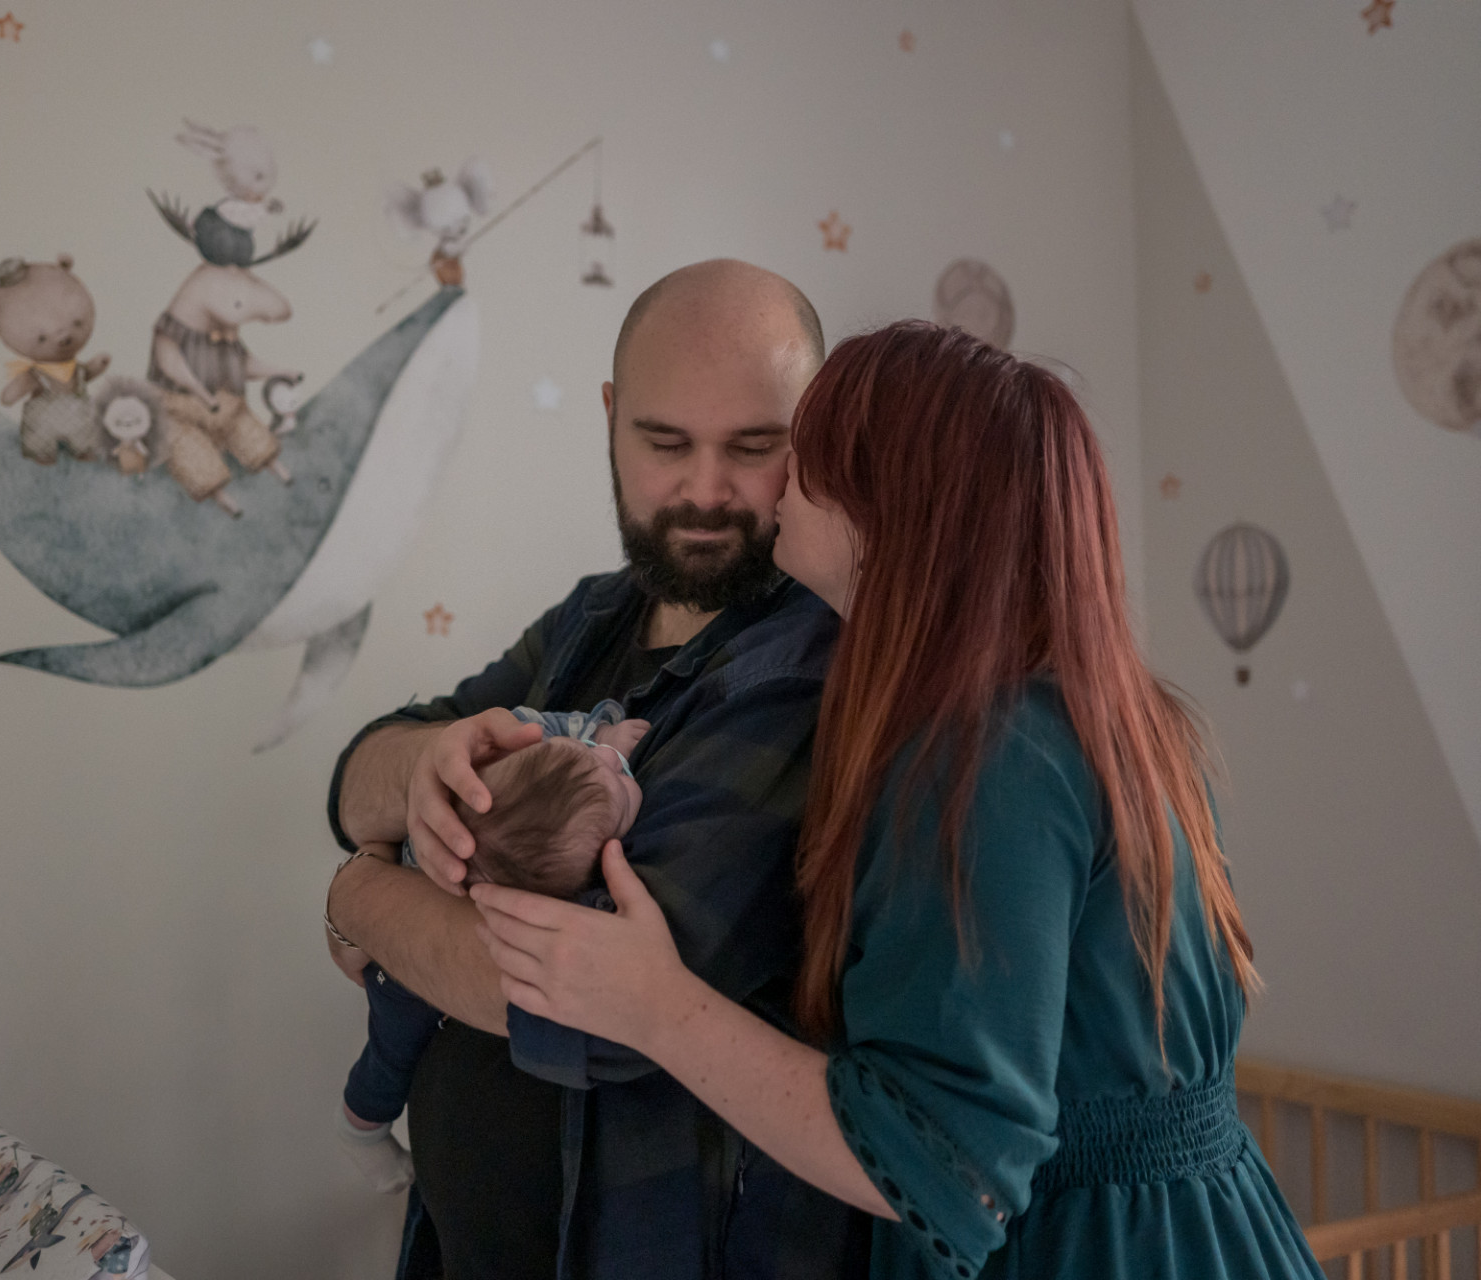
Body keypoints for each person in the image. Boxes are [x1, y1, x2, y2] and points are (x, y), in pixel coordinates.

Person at [471, 320, 1327, 1280]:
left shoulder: (987, 754)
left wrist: (658, 1007)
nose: (778, 483)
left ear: (890, 504)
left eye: (808, 456)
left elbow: (949, 1168)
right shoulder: (1104, 713)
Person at [323, 260, 870, 1279]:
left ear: (816, 437)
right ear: (613, 418)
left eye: (754, 446)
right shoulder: (592, 617)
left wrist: (362, 893)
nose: (705, 490)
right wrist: (427, 763)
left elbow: (583, 997)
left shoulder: (813, 669)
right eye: (665, 442)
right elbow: (358, 776)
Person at [336, 702, 648, 1195]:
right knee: (391, 1054)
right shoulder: (533, 758)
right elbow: (351, 784)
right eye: (596, 759)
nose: (613, 761)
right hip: (396, 976)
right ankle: (360, 1126)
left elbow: (563, 741)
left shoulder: (547, 758)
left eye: (607, 768)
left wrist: (602, 734)